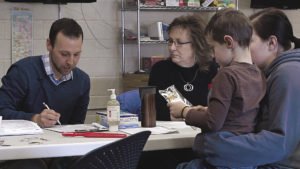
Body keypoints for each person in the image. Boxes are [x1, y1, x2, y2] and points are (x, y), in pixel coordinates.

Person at [177, 8, 300, 169]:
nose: (245, 47)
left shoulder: (287, 74)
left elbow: (280, 144)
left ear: (272, 43)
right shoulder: (264, 73)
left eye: (249, 41)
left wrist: (212, 144)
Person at [169, 8, 266, 169]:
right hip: (244, 159)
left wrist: (184, 111)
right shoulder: (258, 73)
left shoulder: (227, 74)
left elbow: (212, 122)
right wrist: (208, 109)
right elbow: (238, 111)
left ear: (228, 42)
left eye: (213, 47)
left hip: (222, 157)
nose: (213, 55)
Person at [0, 18, 90, 169]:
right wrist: (34, 118)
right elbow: (1, 111)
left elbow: (76, 126)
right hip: (21, 153)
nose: (71, 62)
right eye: (64, 54)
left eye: (77, 54)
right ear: (49, 45)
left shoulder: (82, 81)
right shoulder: (23, 72)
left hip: (59, 153)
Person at [148, 14, 218, 121]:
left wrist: (184, 113)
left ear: (196, 44)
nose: (172, 48)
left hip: (206, 130)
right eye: (171, 41)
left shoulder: (213, 69)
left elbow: (217, 112)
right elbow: (156, 113)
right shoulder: (160, 70)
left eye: (179, 43)